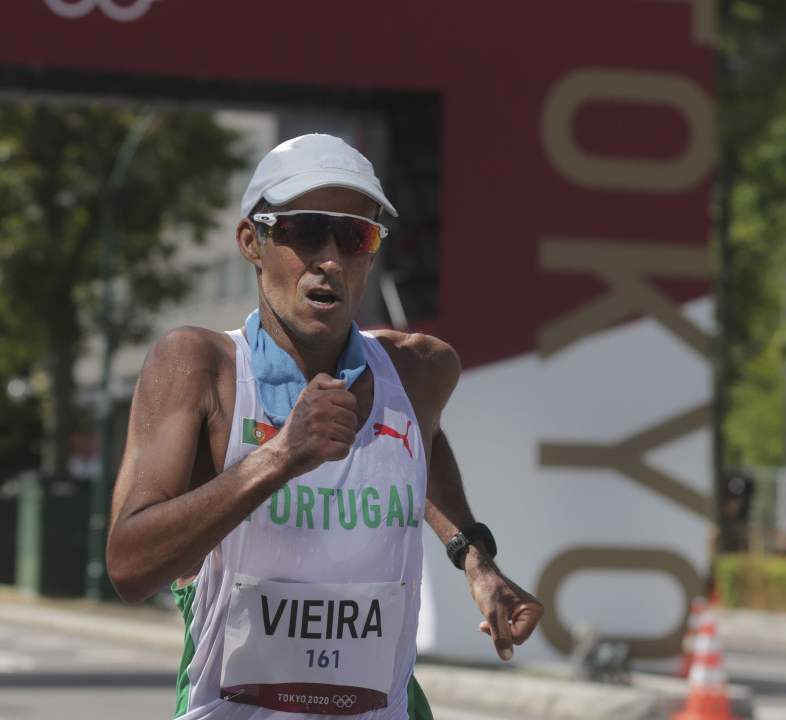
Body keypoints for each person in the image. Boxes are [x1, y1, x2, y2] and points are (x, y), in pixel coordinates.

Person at [105, 134, 544, 719]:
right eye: (305, 231)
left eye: (356, 235)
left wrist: (474, 558)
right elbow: (128, 568)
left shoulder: (419, 371)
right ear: (250, 241)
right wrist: (280, 456)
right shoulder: (198, 368)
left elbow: (421, 443)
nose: (331, 258)